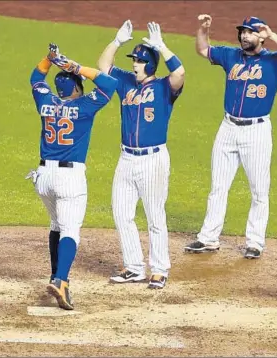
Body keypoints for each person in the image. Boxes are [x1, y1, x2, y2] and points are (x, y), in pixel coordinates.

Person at [184, 15, 277, 259]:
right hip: (228, 127)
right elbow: (203, 49)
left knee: (259, 190)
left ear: (260, 36)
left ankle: (255, 242)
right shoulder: (231, 56)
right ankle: (208, 238)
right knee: (218, 186)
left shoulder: (275, 61)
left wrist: (272, 35)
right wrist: (203, 29)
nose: (244, 36)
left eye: (249, 32)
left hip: (256, 130)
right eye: (242, 32)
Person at [27, 44, 118, 309]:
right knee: (70, 230)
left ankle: (56, 275)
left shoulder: (45, 100)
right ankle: (62, 280)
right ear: (76, 88)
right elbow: (108, 84)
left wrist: (49, 59)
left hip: (43, 176)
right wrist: (75, 66)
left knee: (56, 225)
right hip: (69, 178)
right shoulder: (84, 106)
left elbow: (36, 79)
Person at [97, 21, 185, 289]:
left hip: (153, 159)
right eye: (133, 60)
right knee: (121, 213)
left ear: (149, 64)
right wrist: (117, 41)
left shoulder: (163, 88)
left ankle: (159, 269)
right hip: (126, 159)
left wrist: (162, 47)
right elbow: (102, 67)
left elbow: (180, 73)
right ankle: (134, 267)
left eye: (138, 60)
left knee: (154, 215)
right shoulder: (124, 82)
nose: (134, 64)